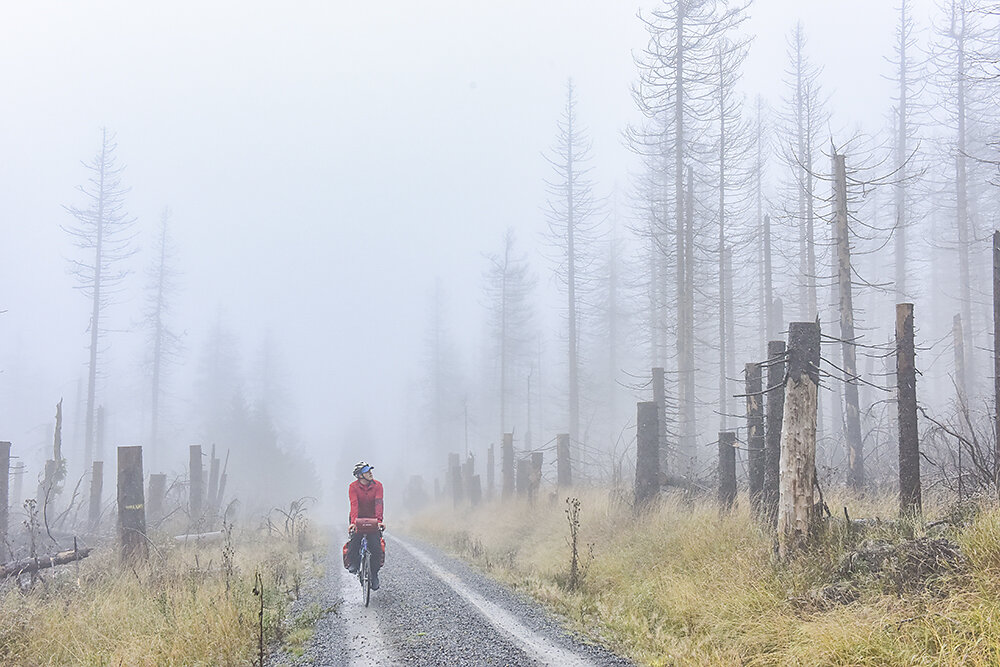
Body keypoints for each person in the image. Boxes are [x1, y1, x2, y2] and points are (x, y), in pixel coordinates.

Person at [347, 460, 385, 589]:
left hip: (373, 519)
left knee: (375, 547)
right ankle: (355, 564)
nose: (370, 473)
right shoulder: (353, 487)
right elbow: (354, 504)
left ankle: (374, 575)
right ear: (359, 476)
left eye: (370, 470)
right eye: (366, 471)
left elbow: (379, 503)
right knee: (355, 541)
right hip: (357, 518)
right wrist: (353, 523)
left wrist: (379, 521)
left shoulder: (378, 485)